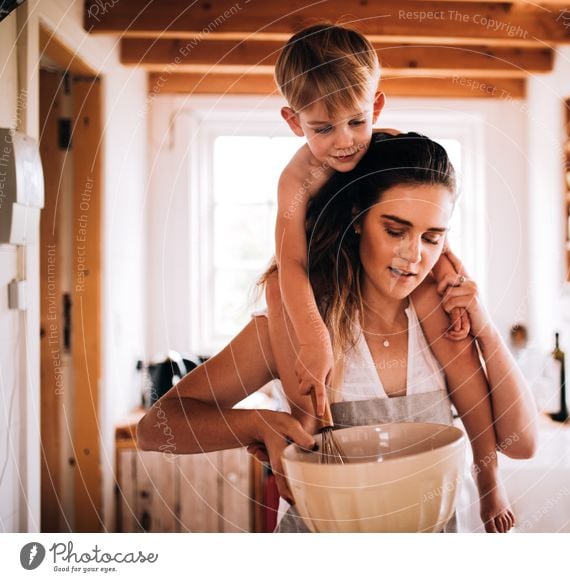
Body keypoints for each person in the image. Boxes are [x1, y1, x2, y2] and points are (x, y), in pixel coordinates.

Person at [137, 133, 538, 532]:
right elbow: (156, 428)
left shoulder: (439, 315)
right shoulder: (296, 326)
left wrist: (482, 321)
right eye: (396, 230)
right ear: (356, 217)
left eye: (433, 237)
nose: (414, 256)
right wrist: (257, 424)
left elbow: (521, 443)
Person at [263, 23, 520, 530]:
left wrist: (455, 285)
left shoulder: (389, 147)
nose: (344, 143)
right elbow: (288, 263)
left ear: (376, 107)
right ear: (294, 122)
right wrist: (315, 338)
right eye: (323, 128)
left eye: (356, 122)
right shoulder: (296, 179)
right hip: (325, 282)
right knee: (309, 390)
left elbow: (429, 225)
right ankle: (308, 494)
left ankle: (491, 483)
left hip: (380, 280)